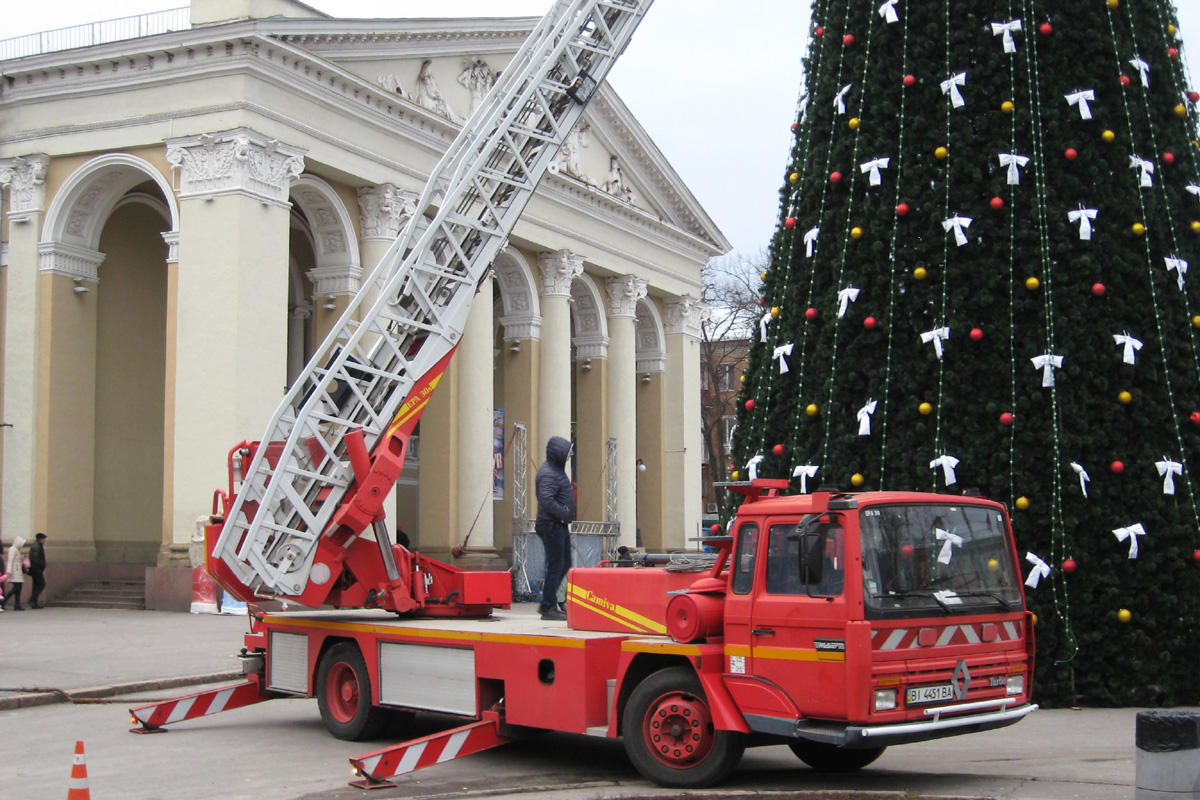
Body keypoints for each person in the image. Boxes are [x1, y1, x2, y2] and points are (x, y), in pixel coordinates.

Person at [535, 436, 575, 621]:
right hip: (551, 524)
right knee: (556, 565)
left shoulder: (555, 471)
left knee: (564, 564)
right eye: (569, 451)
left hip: (557, 524)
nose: (571, 454)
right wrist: (564, 513)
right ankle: (548, 606)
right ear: (559, 452)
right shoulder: (549, 473)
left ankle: (551, 602)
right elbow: (546, 499)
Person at [3, 536, 26, 611]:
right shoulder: (12, 549)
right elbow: (10, 560)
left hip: (17, 571)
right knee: (16, 588)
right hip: (14, 571)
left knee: (18, 588)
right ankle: (3, 602)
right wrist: (9, 571)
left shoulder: (16, 550)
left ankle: (17, 604)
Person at [28, 533, 47, 608]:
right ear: (41, 539)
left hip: (35, 568)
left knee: (36, 585)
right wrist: (41, 565)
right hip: (36, 568)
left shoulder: (36, 545)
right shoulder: (37, 546)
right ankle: (32, 599)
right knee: (42, 584)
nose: (45, 540)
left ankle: (34, 603)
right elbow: (35, 558)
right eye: (44, 539)